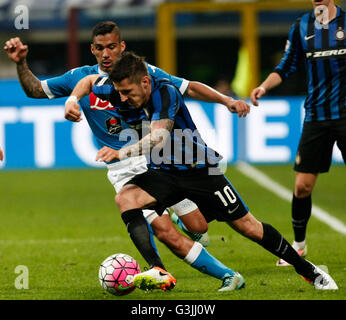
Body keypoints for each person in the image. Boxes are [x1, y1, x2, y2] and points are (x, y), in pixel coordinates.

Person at [4, 21, 251, 291]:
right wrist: (21, 63)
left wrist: (227, 100)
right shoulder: (80, 78)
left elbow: (189, 87)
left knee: (200, 227)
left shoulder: (144, 74)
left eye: (111, 47)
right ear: (93, 50)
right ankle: (209, 274)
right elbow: (35, 89)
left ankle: (183, 232)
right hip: (122, 169)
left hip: (156, 160)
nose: (106, 54)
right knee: (164, 231)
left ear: (121, 46)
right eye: (100, 48)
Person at [85, 51, 338, 291]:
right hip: (163, 172)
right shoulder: (116, 90)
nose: (124, 98)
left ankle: (309, 271)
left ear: (145, 82)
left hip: (200, 171)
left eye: (128, 92)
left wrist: (121, 152)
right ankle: (157, 269)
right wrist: (74, 100)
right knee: (126, 198)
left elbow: (158, 137)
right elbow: (87, 82)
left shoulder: (166, 92)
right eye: (120, 93)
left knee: (248, 227)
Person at [250, 0, 345, 266]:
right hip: (316, 117)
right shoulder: (302, 26)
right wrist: (263, 87)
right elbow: (286, 65)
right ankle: (299, 246)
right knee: (302, 186)